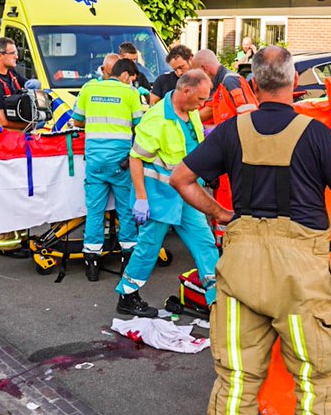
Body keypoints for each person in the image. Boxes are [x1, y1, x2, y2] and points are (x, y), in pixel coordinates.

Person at [171, 46, 331, 415]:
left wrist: (222, 213)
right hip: (301, 275)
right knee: (318, 372)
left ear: (255, 86)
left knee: (237, 371)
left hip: (240, 268)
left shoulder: (230, 132)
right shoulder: (317, 135)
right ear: (295, 84)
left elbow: (181, 179)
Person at [114, 70, 218, 317]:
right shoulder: (156, 119)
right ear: (186, 91)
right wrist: (141, 198)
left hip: (187, 194)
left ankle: (217, 299)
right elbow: (136, 158)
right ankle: (127, 295)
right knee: (148, 248)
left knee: (205, 243)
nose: (203, 105)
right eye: (201, 99)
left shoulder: (189, 113)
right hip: (159, 197)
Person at [72, 58, 145, 281]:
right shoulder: (130, 94)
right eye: (132, 79)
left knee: (95, 210)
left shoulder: (88, 88)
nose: (132, 83)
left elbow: (77, 121)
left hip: (94, 160)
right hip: (120, 161)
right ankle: (128, 259)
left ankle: (92, 262)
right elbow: (139, 126)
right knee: (125, 210)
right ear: (125, 75)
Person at [0, 36, 31, 256]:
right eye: (12, 53)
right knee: (8, 192)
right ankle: (8, 245)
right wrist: (29, 124)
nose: (17, 56)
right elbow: (2, 120)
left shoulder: (11, 75)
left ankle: (22, 238)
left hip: (18, 140)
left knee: (21, 190)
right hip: (4, 142)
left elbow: (26, 91)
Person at [191, 48, 258, 127]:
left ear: (204, 68)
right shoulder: (219, 84)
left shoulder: (230, 82)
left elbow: (247, 119)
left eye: (198, 73)